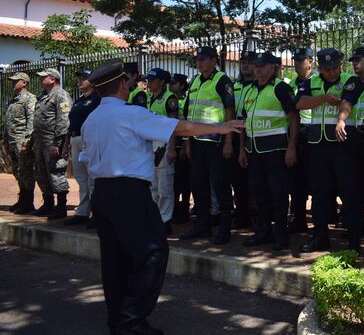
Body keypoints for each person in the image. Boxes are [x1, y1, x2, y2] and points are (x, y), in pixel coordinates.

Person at [80, 58, 243, 335]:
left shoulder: (92, 118)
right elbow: (181, 127)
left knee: (115, 259)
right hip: (129, 194)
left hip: (103, 193)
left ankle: (118, 319)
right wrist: (221, 127)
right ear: (122, 84)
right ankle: (131, 320)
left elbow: (87, 156)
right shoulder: (130, 113)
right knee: (153, 252)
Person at [297, 48, 361, 253]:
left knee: (348, 191)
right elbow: (299, 103)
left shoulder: (349, 80)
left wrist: (341, 120)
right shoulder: (312, 82)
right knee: (319, 192)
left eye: (334, 68)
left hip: (342, 145)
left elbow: (347, 102)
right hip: (317, 145)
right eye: (326, 69)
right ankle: (320, 236)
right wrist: (324, 98)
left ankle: (353, 241)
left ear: (341, 65)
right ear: (319, 68)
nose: (331, 73)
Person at [239, 53, 299, 250]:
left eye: (262, 66)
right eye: (256, 66)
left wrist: (291, 148)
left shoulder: (281, 88)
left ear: (273, 67)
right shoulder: (250, 90)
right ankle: (264, 231)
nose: (258, 69)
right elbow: (244, 122)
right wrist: (242, 149)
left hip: (275, 150)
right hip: (254, 150)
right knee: (258, 193)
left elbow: (294, 118)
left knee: (278, 194)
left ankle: (281, 236)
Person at [180, 46, 236, 245]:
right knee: (198, 184)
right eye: (198, 59)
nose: (199, 63)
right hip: (196, 142)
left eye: (203, 59)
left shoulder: (222, 80)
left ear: (213, 60)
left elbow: (230, 110)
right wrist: (187, 141)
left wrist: (228, 141)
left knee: (220, 185)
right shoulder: (195, 81)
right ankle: (202, 226)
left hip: (215, 141)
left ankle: (224, 228)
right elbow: (188, 114)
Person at [336, 46, 364, 237]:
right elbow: (347, 102)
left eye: (358, 60)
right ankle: (357, 226)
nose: (355, 64)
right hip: (354, 138)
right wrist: (341, 119)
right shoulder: (353, 83)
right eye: (353, 61)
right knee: (352, 184)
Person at [32, 68, 72, 220]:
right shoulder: (43, 96)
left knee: (56, 171)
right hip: (41, 141)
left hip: (53, 141)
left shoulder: (61, 95)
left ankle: (61, 207)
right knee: (41, 172)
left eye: (44, 77)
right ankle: (48, 203)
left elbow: (64, 119)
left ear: (53, 79)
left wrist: (58, 142)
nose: (41, 79)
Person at [63, 69, 101, 226]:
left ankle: (97, 214)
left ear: (92, 81)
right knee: (81, 178)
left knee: (92, 179)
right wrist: (66, 144)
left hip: (89, 140)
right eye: (80, 78)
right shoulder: (78, 101)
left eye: (84, 78)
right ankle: (83, 212)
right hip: (75, 138)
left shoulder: (97, 99)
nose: (80, 81)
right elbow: (70, 124)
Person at [145, 68, 178, 234]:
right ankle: (155, 218)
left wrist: (171, 148)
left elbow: (173, 126)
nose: (149, 83)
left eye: (152, 80)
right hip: (151, 145)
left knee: (165, 185)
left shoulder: (169, 99)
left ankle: (165, 221)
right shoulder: (150, 98)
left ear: (162, 82)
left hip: (164, 144)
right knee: (153, 185)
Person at [286, 48, 315, 233]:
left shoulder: (317, 81)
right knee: (296, 181)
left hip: (313, 134)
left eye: (301, 60)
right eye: (295, 59)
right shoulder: (291, 84)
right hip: (296, 135)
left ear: (310, 62)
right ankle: (298, 218)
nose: (297, 63)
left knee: (316, 180)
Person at [4, 72, 36, 215]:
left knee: (26, 172)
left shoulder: (29, 99)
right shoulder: (13, 100)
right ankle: (22, 199)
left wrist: (27, 141)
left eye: (16, 81)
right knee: (17, 171)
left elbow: (31, 121)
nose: (12, 83)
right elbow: (9, 122)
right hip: (12, 142)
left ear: (24, 83)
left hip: (22, 142)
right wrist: (6, 140)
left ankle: (28, 203)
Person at [231, 54, 256, 230]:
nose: (246, 66)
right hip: (235, 132)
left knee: (254, 179)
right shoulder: (234, 86)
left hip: (252, 133)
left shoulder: (258, 87)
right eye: (244, 63)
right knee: (237, 179)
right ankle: (241, 213)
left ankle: (255, 214)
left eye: (250, 63)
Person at [168, 73, 191, 224]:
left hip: (182, 144)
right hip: (172, 144)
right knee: (174, 181)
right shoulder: (171, 99)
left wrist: (183, 147)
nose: (171, 85)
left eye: (175, 83)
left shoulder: (184, 101)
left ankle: (184, 209)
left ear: (182, 85)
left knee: (185, 181)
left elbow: (187, 125)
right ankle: (175, 208)